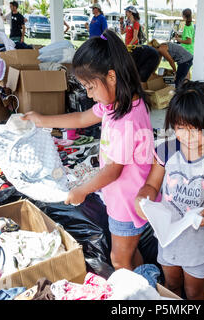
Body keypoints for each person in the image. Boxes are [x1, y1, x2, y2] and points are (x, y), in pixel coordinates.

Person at [22, 29, 154, 272]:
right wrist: (41, 120)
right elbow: (82, 118)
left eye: (90, 87)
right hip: (124, 196)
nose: (88, 94)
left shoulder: (126, 118)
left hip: (127, 202)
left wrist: (82, 190)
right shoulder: (117, 104)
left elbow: (114, 170)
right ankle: (147, 282)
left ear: (111, 77)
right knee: (130, 253)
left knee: (119, 260)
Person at [135, 80, 204, 300]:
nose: (188, 137)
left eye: (196, 130)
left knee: (194, 292)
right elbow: (152, 185)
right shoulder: (166, 150)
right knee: (171, 285)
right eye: (181, 128)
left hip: (199, 244)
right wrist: (143, 198)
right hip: (169, 237)